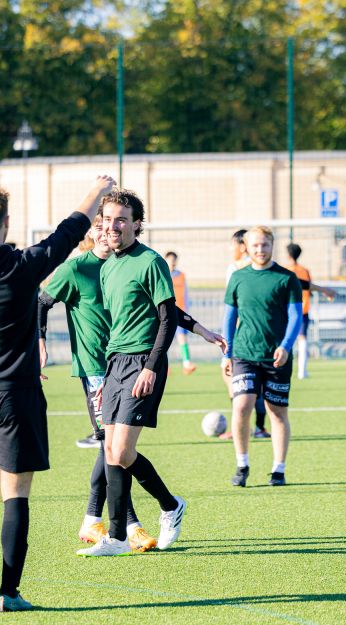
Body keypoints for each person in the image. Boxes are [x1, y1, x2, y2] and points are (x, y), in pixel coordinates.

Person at [0, 173, 116, 612]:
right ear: (7, 223)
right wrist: (98, 190)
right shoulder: (24, 265)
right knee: (16, 492)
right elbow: (71, 230)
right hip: (17, 394)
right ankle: (9, 593)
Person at [38, 221, 225, 553]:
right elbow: (40, 303)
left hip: (125, 365)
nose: (107, 231)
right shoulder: (77, 269)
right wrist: (39, 344)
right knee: (111, 448)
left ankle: (109, 523)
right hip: (97, 370)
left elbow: (162, 308)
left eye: (111, 225)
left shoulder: (124, 264)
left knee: (114, 450)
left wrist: (199, 330)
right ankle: (125, 525)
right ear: (90, 233)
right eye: (100, 225)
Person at [222, 227, 302, 487]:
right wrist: (227, 353)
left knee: (276, 412)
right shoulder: (238, 277)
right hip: (244, 354)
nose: (260, 249)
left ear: (272, 245)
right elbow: (229, 317)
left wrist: (286, 346)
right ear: (246, 247)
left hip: (277, 357)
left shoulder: (287, 278)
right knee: (241, 406)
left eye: (265, 245)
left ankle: (278, 469)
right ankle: (242, 465)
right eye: (255, 245)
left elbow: (296, 317)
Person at [221, 229, 269, 440]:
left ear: (242, 246)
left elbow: (232, 308)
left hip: (241, 335)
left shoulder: (236, 269)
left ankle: (241, 428)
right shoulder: (264, 266)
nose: (230, 248)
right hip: (263, 334)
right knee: (258, 384)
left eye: (233, 244)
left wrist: (228, 346)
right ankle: (259, 428)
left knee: (235, 381)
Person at [282, 243, 336, 380]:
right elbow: (308, 287)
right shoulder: (304, 270)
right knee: (303, 340)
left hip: (285, 310)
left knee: (285, 339)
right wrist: (324, 290)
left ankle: (282, 368)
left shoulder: (284, 270)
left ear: (288, 255)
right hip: (302, 309)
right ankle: (302, 371)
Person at [164, 251, 196, 375]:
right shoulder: (163, 274)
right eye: (170, 260)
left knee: (182, 338)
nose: (172, 263)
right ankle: (164, 365)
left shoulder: (181, 275)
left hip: (180, 311)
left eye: (174, 260)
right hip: (166, 312)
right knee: (164, 339)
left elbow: (185, 293)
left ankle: (187, 364)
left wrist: (186, 308)